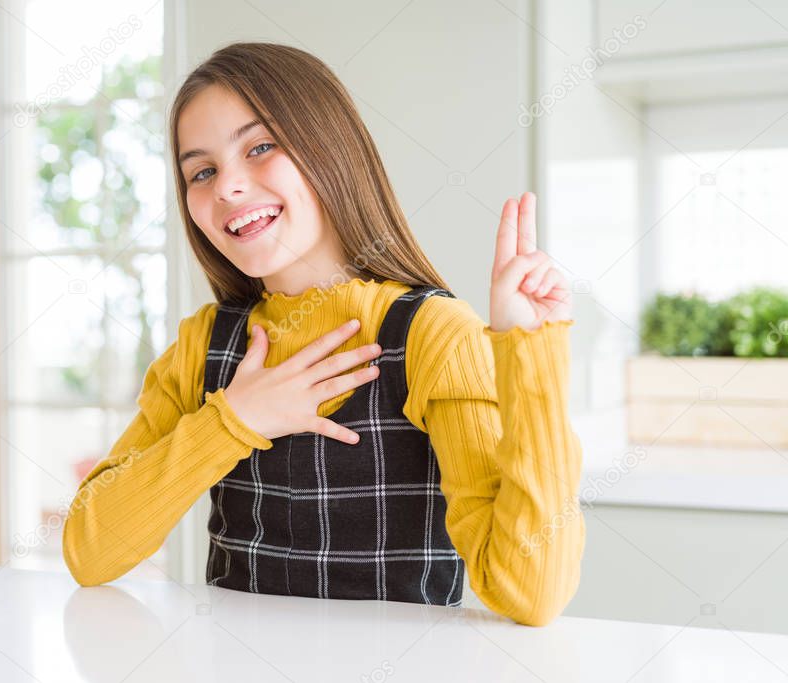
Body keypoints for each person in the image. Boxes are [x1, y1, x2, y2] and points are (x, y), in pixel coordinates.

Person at [62, 42, 584, 627]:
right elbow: (90, 551)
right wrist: (233, 422)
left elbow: (530, 593)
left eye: (260, 147)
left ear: (329, 147)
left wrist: (531, 353)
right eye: (202, 171)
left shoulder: (434, 334)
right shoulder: (202, 344)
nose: (227, 187)